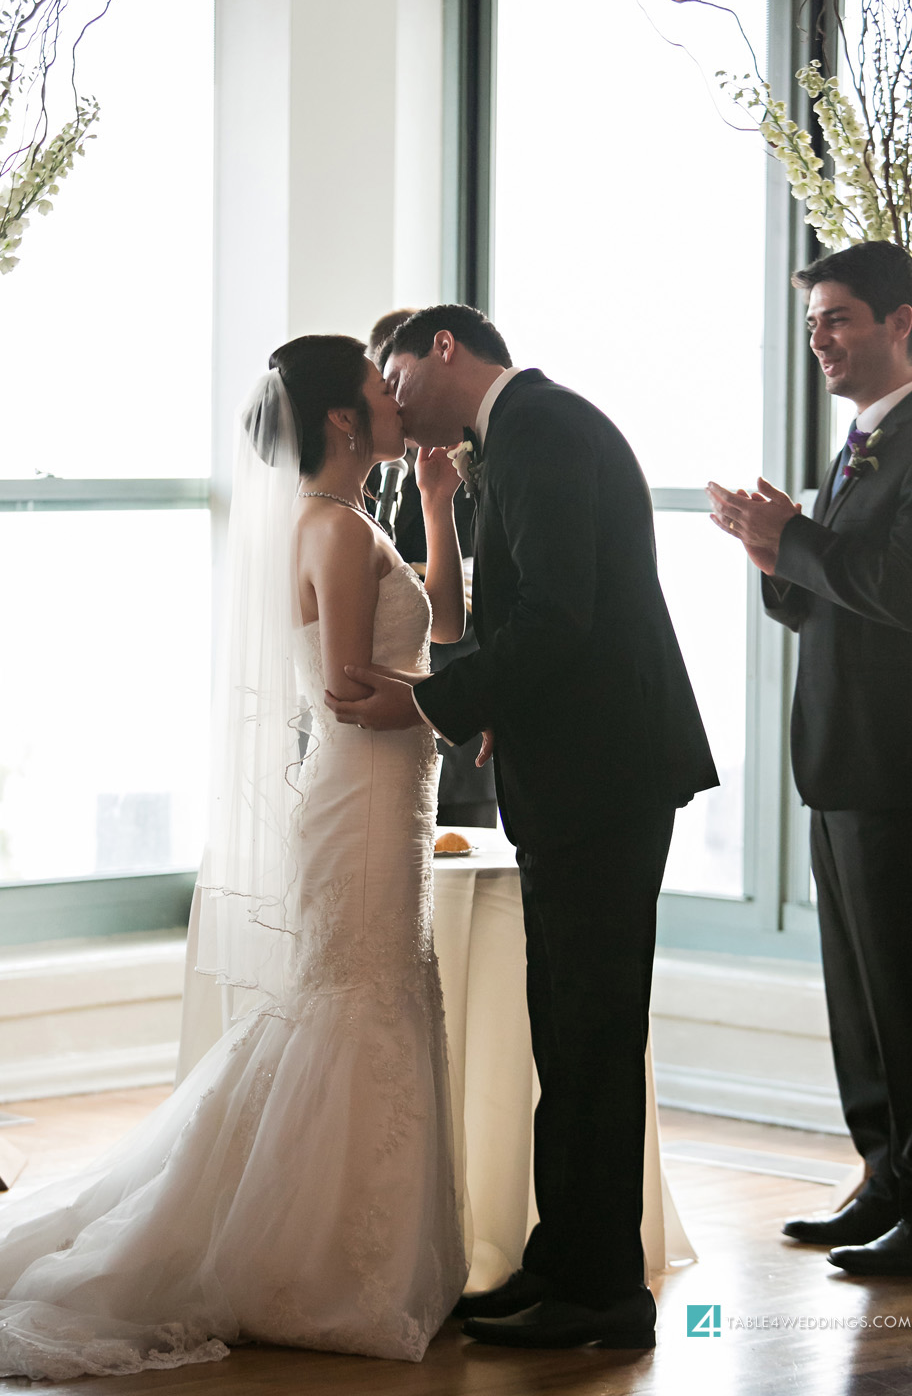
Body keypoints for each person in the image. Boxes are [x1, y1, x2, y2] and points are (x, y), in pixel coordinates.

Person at [0, 336, 469, 1378]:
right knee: (355, 995)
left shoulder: (359, 521)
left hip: (390, 798)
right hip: (366, 794)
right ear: (336, 420)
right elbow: (350, 694)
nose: (395, 400)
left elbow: (446, 625)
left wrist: (440, 506)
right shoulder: (327, 528)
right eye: (379, 390)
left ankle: (348, 1250)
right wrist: (465, 721)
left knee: (375, 990)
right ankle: (311, 1264)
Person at [326, 305, 718, 1349]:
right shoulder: (523, 434)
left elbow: (559, 617)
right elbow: (539, 620)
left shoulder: (541, 430)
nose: (393, 399)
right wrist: (498, 703)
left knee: (590, 1032)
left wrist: (431, 704)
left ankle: (605, 1296)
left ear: (444, 349)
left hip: (605, 777)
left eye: (396, 375)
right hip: (582, 769)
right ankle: (566, 1263)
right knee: (570, 1030)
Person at [708, 240, 912, 1279]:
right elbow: (835, 602)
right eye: (813, 321)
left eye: (837, 317)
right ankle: (883, 1177)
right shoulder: (857, 445)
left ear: (901, 323)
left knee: (906, 994)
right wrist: (771, 553)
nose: (821, 338)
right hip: (837, 762)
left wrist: (798, 539)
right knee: (860, 997)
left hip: (895, 768)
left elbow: (899, 589)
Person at [366, 307, 497, 828]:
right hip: (385, 715)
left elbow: (457, 610)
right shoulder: (336, 503)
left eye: (398, 384)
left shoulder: (457, 457)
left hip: (457, 690)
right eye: (385, 391)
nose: (400, 405)